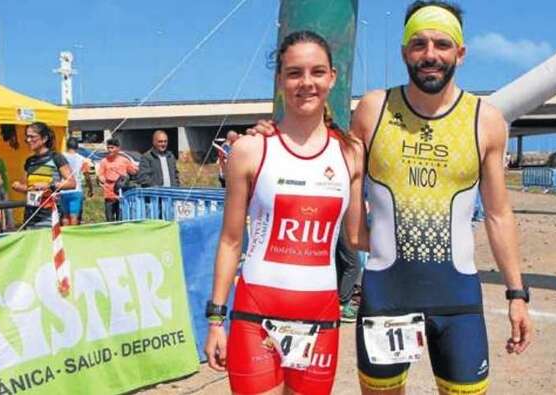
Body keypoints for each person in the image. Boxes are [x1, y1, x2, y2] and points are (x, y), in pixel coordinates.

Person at [249, 2, 532, 393]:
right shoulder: (374, 109)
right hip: (387, 297)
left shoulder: (485, 120)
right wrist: (270, 134)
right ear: (404, 52)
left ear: (460, 53)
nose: (430, 54)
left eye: (441, 44)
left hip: (457, 302)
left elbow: (499, 214)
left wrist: (517, 293)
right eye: (418, 44)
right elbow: (321, 146)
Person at [204, 31, 367, 395]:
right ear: (279, 80)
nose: (306, 83)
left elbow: (358, 238)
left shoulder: (351, 153)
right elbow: (231, 240)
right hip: (254, 314)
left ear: (332, 78)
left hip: (320, 315)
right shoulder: (250, 149)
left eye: (317, 72)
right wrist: (216, 319)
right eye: (294, 73)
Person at [11, 122, 75, 229]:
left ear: (44, 138)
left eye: (32, 137)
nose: (28, 140)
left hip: (50, 216)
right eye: (27, 137)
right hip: (30, 215)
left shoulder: (56, 157)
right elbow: (27, 187)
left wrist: (49, 186)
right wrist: (18, 187)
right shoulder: (30, 161)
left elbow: (72, 183)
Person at [97, 138, 138, 222]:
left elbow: (133, 171)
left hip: (121, 195)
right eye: (108, 148)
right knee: (109, 219)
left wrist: (134, 171)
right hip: (109, 195)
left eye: (112, 148)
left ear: (118, 148)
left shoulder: (124, 160)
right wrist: (101, 179)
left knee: (121, 219)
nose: (109, 150)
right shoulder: (104, 161)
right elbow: (100, 175)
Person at [60, 138, 93, 225]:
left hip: (63, 189)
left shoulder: (61, 157)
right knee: (74, 215)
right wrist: (90, 188)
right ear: (77, 147)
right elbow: (87, 176)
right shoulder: (82, 159)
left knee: (65, 215)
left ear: (66, 146)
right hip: (76, 190)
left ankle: (65, 234)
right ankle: (73, 233)